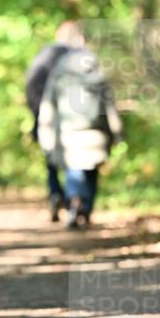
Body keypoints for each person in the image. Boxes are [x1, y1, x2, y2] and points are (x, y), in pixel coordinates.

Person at [37, 37, 122, 229]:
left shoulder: (59, 73)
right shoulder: (98, 73)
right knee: (91, 171)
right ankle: (87, 208)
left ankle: (74, 202)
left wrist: (45, 132)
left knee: (73, 170)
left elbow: (48, 106)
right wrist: (117, 132)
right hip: (96, 133)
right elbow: (109, 107)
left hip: (68, 133)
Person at [25, 21, 85, 221]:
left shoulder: (43, 56)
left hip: (45, 118)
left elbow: (30, 87)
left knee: (51, 160)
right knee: (73, 160)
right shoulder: (76, 58)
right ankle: (71, 200)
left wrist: (38, 114)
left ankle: (55, 193)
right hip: (71, 119)